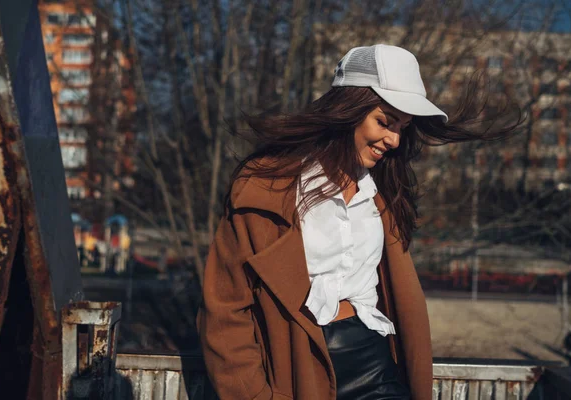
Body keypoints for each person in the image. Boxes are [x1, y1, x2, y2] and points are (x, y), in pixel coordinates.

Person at [197, 44, 521, 400]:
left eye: (403, 127)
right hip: (298, 363)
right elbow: (224, 308)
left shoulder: (383, 193)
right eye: (385, 121)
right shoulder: (265, 186)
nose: (394, 140)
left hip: (373, 360)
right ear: (348, 111)